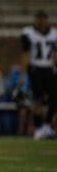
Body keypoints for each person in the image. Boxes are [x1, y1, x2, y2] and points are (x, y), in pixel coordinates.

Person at [20, 10, 57, 139]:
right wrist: (24, 74)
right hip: (36, 69)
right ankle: (39, 128)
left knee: (54, 99)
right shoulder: (29, 33)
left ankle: (47, 126)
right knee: (38, 100)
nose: (42, 21)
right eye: (40, 19)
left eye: (44, 18)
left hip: (49, 69)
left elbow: (55, 55)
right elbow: (25, 54)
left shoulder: (54, 34)